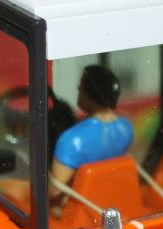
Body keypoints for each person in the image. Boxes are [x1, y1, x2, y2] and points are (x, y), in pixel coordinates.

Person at [50, 64, 134, 194]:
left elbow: (54, 191)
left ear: (91, 96)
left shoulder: (72, 140)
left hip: (82, 202)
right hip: (111, 194)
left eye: (81, 87)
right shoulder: (126, 127)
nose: (78, 88)